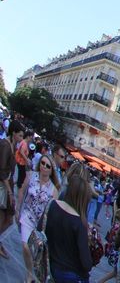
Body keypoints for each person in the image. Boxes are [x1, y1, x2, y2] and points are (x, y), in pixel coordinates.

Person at [47, 165, 93, 283]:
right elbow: (87, 264)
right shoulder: (79, 223)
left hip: (52, 266)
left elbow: (42, 229)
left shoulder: (53, 205)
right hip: (72, 274)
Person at [18, 150, 60, 279]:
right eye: (43, 163)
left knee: (32, 250)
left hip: (39, 224)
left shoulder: (53, 190)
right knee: (25, 245)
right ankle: (30, 274)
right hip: (27, 216)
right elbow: (21, 191)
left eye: (48, 166)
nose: (44, 167)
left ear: (51, 170)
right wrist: (17, 209)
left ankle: (30, 272)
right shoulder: (31, 175)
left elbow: (54, 210)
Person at [0, 119, 25, 258]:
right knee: (6, 217)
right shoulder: (5, 145)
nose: (21, 138)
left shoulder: (12, 145)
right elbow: (2, 170)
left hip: (7, 184)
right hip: (4, 185)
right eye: (20, 135)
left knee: (9, 218)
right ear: (14, 133)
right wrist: (9, 191)